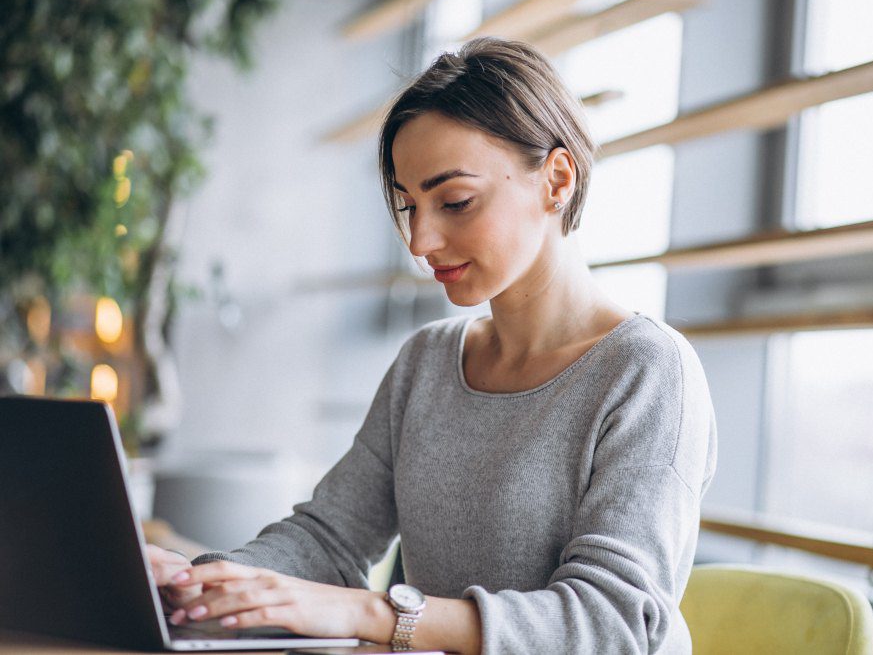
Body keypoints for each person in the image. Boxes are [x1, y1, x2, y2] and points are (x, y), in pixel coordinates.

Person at [148, 37, 717, 654]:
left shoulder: (647, 371)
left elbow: (611, 626)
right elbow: (328, 538)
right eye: (409, 206)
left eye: (455, 202)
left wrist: (375, 615)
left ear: (557, 179)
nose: (420, 241)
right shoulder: (427, 363)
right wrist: (200, 582)